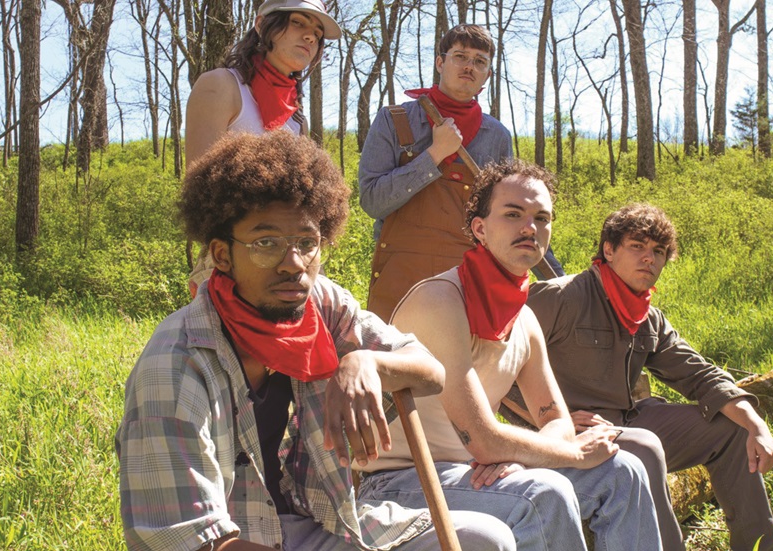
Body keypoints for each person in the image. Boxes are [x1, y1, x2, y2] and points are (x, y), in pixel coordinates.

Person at [115, 132, 516, 551]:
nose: (293, 264)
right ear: (221, 255)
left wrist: (366, 362)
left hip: (316, 521)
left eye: (307, 243)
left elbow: (430, 372)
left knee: (486, 539)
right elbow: (191, 540)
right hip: (235, 539)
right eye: (266, 243)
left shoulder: (318, 303)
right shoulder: (177, 364)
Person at [355, 159, 662, 551]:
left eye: (541, 218)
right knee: (543, 495)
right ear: (479, 229)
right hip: (403, 480)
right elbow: (483, 439)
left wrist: (527, 457)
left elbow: (556, 420)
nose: (529, 228)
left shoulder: (524, 319)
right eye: (513, 214)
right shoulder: (440, 300)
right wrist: (566, 454)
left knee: (623, 470)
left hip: (473, 472)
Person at [526, 203, 773, 551]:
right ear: (609, 250)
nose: (649, 258)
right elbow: (493, 369)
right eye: (637, 246)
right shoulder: (559, 297)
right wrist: (552, 419)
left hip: (626, 422)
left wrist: (756, 424)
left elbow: (700, 374)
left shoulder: (648, 317)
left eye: (658, 251)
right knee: (644, 449)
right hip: (565, 437)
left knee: (732, 428)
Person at [358, 24, 563, 320]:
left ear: (487, 76)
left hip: (467, 285)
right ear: (440, 63)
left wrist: (560, 284)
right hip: (399, 281)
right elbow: (372, 202)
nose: (469, 66)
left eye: (480, 61)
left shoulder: (497, 136)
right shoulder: (394, 120)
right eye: (460, 56)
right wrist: (434, 155)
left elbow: (516, 214)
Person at [184, 0, 341, 295]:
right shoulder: (220, 86)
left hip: (292, 260)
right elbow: (199, 194)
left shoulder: (296, 116)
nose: (310, 36)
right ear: (261, 25)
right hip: (231, 261)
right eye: (298, 22)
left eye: (318, 33)